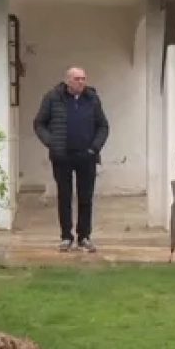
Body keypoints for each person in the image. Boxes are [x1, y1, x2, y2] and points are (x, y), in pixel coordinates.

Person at [32, 67, 110, 253]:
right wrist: (52, 143)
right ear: (67, 81)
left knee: (86, 197)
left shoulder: (92, 99)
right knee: (64, 196)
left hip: (86, 156)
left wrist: (94, 148)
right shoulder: (52, 98)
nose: (81, 82)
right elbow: (39, 123)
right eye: (77, 79)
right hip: (62, 156)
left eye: (83, 78)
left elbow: (103, 126)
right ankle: (66, 236)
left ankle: (84, 236)